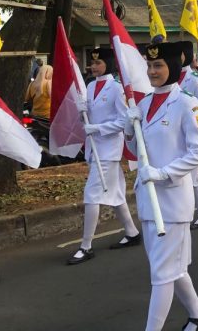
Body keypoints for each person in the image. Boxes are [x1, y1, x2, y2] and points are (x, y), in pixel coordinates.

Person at [125, 41, 198, 331]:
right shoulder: (145, 103)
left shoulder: (187, 102)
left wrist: (163, 173)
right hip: (148, 199)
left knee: (161, 273)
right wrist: (128, 127)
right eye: (149, 66)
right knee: (170, 268)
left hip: (172, 201)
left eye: (158, 65)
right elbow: (138, 149)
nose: (152, 71)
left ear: (172, 67)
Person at [67, 48, 140, 265]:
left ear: (108, 64)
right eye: (92, 63)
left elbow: (124, 120)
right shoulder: (89, 86)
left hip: (108, 150)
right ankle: (132, 232)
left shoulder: (116, 88)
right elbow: (88, 117)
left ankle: (86, 246)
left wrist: (98, 128)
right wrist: (82, 110)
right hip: (94, 149)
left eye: (98, 63)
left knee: (91, 195)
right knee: (116, 194)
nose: (94, 66)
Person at [178, 42, 198, 230]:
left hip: (190, 135)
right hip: (176, 137)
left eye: (180, 54)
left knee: (193, 178)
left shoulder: (194, 78)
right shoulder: (173, 77)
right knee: (186, 177)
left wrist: (188, 123)